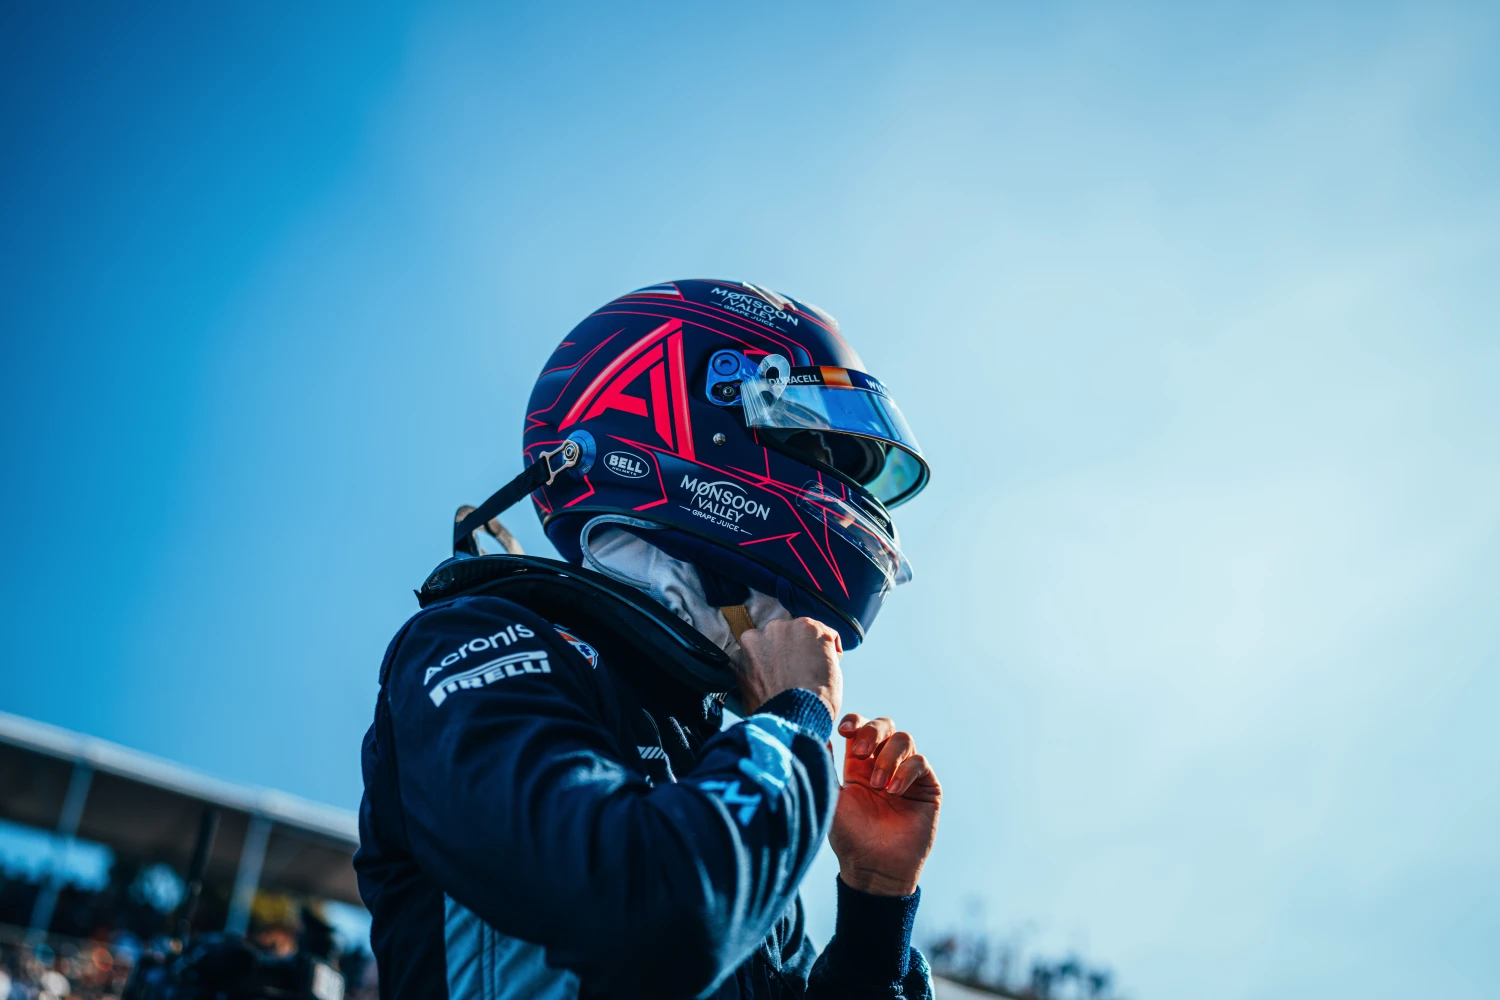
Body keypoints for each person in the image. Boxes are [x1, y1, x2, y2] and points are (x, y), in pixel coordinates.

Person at [355, 279, 941, 998]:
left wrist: (877, 905)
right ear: (699, 417)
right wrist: (794, 728)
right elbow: (648, 919)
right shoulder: (478, 640)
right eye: (818, 446)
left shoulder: (719, 768)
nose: (844, 491)